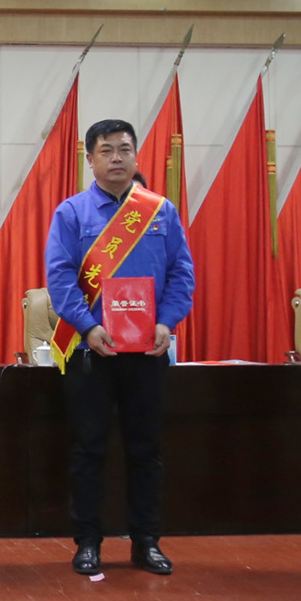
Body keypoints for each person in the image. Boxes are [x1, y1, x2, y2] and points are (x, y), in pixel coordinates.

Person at [43, 119, 194, 577]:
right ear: (90, 159)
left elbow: (182, 274)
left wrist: (167, 321)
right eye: (106, 151)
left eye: (124, 149)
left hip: (147, 354)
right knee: (88, 449)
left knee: (146, 450)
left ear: (136, 156)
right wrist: (88, 327)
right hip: (91, 353)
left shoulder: (161, 211)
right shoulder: (71, 213)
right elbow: (60, 278)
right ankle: (88, 542)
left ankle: (146, 542)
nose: (116, 158)